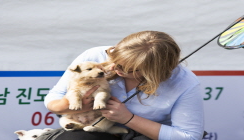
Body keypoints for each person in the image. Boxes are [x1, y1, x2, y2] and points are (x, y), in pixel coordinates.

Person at [44, 31, 204, 140]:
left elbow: (189, 136)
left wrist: (128, 119)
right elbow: (54, 99)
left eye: (126, 69)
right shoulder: (95, 56)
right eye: (115, 59)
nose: (113, 68)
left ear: (153, 72)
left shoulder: (184, 82)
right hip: (92, 126)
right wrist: (74, 105)